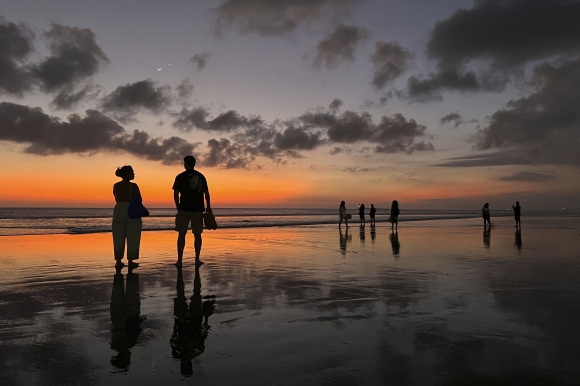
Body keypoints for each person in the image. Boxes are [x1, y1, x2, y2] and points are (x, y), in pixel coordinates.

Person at [173, 156, 211, 266]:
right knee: (198, 235)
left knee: (181, 234)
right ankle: (197, 259)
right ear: (194, 164)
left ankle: (179, 260)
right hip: (198, 208)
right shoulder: (201, 176)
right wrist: (208, 207)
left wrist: (178, 207)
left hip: (184, 208)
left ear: (185, 164)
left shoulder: (180, 176)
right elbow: (206, 193)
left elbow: (175, 194)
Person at [112, 165, 142, 269]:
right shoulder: (133, 186)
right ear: (127, 174)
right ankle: (130, 261)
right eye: (132, 172)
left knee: (118, 236)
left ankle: (118, 261)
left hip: (118, 209)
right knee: (133, 236)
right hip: (131, 210)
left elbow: (116, 198)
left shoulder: (115, 186)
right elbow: (139, 198)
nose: (134, 174)